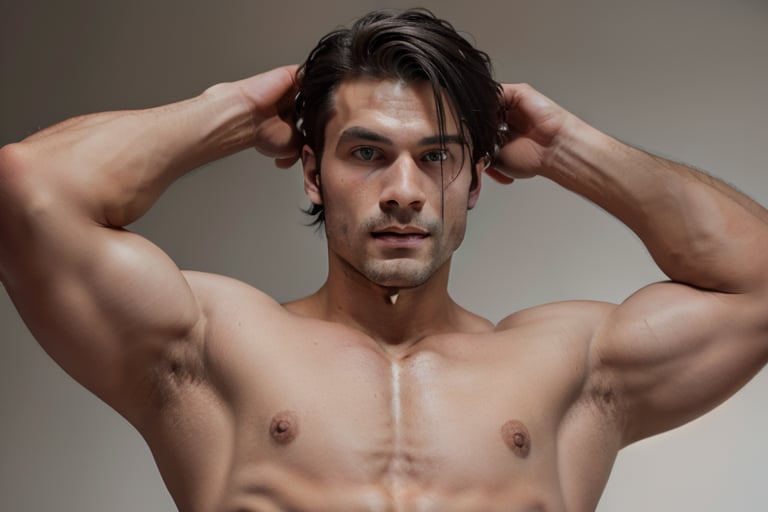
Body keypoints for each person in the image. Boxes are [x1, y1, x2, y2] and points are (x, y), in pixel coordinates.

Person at [0, 7, 766, 512]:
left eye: (436, 157)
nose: (403, 191)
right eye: (366, 153)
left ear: (474, 180)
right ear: (311, 170)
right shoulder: (210, 347)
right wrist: (229, 113)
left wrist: (570, 149)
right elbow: (28, 194)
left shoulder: (572, 369)